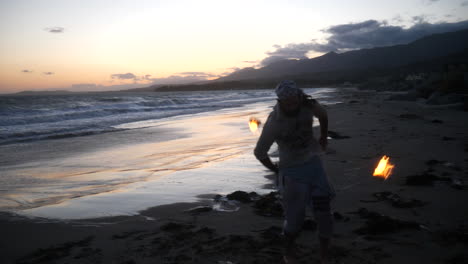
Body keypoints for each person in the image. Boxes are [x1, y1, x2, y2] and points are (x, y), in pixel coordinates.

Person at [254, 80, 335, 264]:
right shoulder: (274, 122)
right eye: (286, 102)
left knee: (324, 213)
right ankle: (288, 250)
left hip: (314, 166)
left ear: (300, 96)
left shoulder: (309, 105)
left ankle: (325, 252)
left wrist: (323, 135)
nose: (291, 105)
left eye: (294, 100)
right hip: (292, 172)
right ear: (279, 101)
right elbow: (259, 152)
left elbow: (323, 115)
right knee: (294, 218)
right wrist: (276, 170)